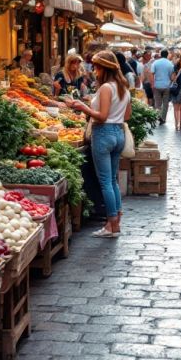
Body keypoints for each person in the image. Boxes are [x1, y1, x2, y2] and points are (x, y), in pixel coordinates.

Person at [70, 50, 131, 238]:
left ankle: (111, 225)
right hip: (119, 133)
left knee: (105, 181)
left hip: (103, 134)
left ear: (104, 68)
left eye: (96, 67)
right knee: (111, 180)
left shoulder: (106, 88)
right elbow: (127, 116)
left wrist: (84, 107)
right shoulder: (123, 87)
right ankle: (115, 222)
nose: (94, 70)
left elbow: (102, 117)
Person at [150, 49, 175, 124]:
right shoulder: (170, 64)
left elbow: (152, 73)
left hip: (157, 85)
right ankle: (163, 118)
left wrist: (152, 84)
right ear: (167, 55)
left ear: (160, 54)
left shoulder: (155, 63)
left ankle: (158, 116)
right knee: (165, 103)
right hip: (167, 85)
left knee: (158, 103)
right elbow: (171, 76)